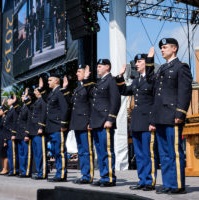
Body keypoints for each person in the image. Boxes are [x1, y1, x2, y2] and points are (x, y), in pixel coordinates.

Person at [149, 38, 192, 194]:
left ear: (174, 49)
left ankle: (178, 185)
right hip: (160, 116)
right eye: (161, 47)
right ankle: (168, 184)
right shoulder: (162, 69)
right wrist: (149, 61)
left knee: (174, 152)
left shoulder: (181, 67)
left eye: (165, 47)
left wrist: (180, 112)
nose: (162, 50)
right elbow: (152, 88)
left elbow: (185, 92)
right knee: (164, 153)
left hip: (172, 116)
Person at [116, 47, 157, 191]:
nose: (137, 64)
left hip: (147, 122)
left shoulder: (152, 79)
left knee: (148, 154)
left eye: (139, 61)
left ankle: (150, 181)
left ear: (147, 63)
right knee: (139, 154)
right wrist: (120, 77)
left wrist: (153, 122)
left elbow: (155, 101)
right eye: (136, 62)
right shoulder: (136, 81)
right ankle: (142, 180)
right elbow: (123, 91)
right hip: (137, 122)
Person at [83, 59, 121, 187]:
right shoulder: (100, 82)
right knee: (100, 152)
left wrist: (110, 119)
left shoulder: (111, 80)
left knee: (107, 151)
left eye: (100, 66)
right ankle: (104, 176)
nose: (97, 69)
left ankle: (110, 177)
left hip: (105, 121)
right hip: (97, 121)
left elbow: (115, 101)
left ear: (107, 67)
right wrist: (87, 79)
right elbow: (91, 95)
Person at [61, 65, 94, 184]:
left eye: (79, 71)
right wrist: (65, 89)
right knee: (80, 150)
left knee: (86, 150)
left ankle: (88, 175)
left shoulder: (89, 86)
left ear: (86, 73)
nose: (76, 74)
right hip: (77, 123)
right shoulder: (77, 88)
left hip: (85, 123)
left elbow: (92, 104)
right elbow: (71, 102)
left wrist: (90, 121)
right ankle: (84, 174)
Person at [43, 73, 69, 182]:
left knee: (60, 151)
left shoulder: (60, 92)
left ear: (56, 81)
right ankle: (59, 173)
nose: (48, 82)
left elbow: (65, 108)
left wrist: (63, 124)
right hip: (51, 127)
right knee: (55, 151)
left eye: (50, 80)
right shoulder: (52, 93)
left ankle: (61, 175)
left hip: (58, 126)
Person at [25, 86, 48, 180]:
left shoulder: (43, 100)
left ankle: (43, 173)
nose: (34, 92)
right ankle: (39, 172)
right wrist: (26, 96)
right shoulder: (36, 101)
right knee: (37, 153)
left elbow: (43, 113)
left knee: (41, 152)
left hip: (39, 130)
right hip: (34, 131)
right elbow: (29, 107)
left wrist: (41, 126)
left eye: (35, 90)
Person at [16, 91, 32, 178]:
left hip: (25, 133)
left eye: (24, 96)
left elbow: (29, 121)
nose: (22, 98)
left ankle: (27, 171)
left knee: (26, 154)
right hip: (20, 134)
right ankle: (23, 171)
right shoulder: (23, 107)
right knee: (21, 154)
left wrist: (27, 134)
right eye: (22, 96)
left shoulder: (29, 107)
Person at [3, 95, 20, 176]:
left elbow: (15, 122)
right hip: (8, 135)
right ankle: (11, 169)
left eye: (9, 99)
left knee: (13, 154)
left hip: (11, 134)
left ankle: (15, 170)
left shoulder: (14, 109)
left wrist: (13, 133)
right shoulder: (10, 110)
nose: (7, 101)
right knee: (10, 154)